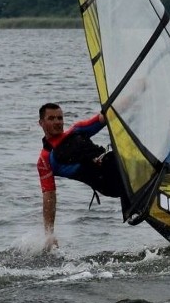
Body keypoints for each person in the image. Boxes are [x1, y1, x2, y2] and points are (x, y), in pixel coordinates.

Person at [36, 103, 125, 251]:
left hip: (116, 165)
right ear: (41, 123)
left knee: (119, 154)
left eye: (60, 118)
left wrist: (136, 91)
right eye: (51, 118)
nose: (57, 122)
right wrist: (49, 234)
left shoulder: (77, 130)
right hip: (108, 183)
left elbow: (108, 115)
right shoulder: (46, 159)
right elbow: (49, 197)